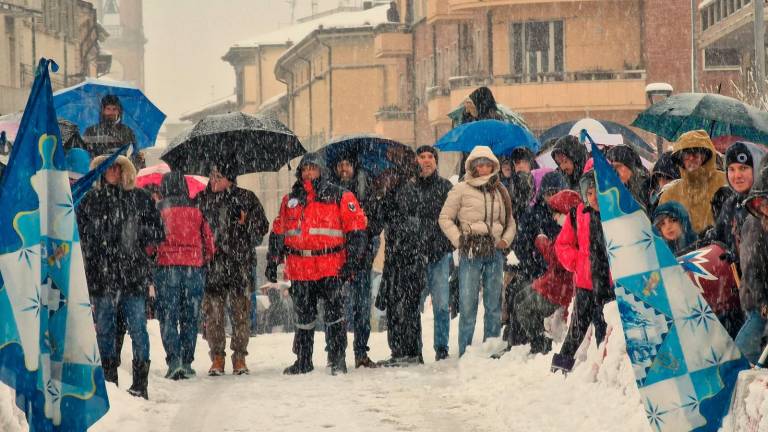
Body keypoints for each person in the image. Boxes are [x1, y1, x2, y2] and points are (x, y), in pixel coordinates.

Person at [266, 153, 368, 375]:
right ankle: (303, 360)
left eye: (312, 168)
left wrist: (351, 263)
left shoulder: (341, 196)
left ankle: (337, 359)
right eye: (304, 169)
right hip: (300, 268)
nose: (308, 173)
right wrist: (273, 261)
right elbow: (278, 232)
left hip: (331, 266)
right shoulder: (290, 201)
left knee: (334, 316)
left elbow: (357, 231)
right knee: (303, 318)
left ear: (322, 170)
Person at [76, 155, 164, 399]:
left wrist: (137, 238)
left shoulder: (139, 198)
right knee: (105, 330)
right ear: (100, 171)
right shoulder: (89, 201)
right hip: (102, 279)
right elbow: (80, 237)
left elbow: (158, 232)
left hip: (132, 277)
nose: (113, 171)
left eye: (117, 166)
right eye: (108, 166)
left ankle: (140, 383)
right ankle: (109, 382)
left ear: (125, 169)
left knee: (138, 329)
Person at [372, 146, 453, 364]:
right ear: (416, 161)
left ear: (435, 162)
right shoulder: (406, 187)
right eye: (422, 157)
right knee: (408, 304)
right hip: (412, 256)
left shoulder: (445, 186)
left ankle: (441, 348)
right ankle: (411, 350)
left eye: (430, 157)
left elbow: (448, 219)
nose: (426, 160)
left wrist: (440, 244)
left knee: (441, 305)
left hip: (436, 254)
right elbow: (397, 218)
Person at [439, 146, 516, 356]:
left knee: (493, 304)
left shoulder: (500, 190)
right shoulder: (461, 189)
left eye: (486, 163)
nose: (483, 168)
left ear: (493, 165)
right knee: (468, 305)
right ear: (472, 166)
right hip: (471, 251)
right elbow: (445, 218)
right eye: (479, 164)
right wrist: (459, 240)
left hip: (495, 252)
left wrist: (505, 240)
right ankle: (466, 351)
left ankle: (490, 348)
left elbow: (510, 221)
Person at [195, 164, 269, 376]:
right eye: (211, 176)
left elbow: (262, 229)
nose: (213, 180)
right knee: (213, 315)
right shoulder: (202, 199)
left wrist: (246, 222)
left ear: (230, 179)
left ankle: (239, 357)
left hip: (240, 265)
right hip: (213, 265)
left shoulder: (247, 198)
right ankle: (217, 356)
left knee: (240, 314)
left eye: (218, 176)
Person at [148, 171, 215, 380]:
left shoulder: (159, 210)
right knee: (190, 317)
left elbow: (151, 244)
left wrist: (154, 256)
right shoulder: (197, 209)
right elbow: (209, 243)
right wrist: (201, 258)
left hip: (166, 268)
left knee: (168, 316)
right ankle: (187, 362)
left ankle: (174, 360)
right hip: (193, 268)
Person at [551, 159, 612, 373]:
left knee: (604, 331)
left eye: (599, 190)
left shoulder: (615, 212)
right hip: (586, 284)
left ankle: (603, 370)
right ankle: (560, 368)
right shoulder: (578, 214)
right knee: (576, 330)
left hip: (610, 285)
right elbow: (563, 244)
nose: (595, 197)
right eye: (590, 191)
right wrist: (578, 262)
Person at [507, 171, 569, 352]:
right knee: (515, 294)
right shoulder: (534, 212)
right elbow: (522, 243)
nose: (551, 197)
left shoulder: (566, 215)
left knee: (526, 303)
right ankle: (518, 341)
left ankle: (540, 343)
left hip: (558, 277)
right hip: (537, 269)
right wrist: (534, 263)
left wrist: (544, 248)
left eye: (556, 192)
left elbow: (560, 255)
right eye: (549, 193)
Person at [330, 153, 378, 368]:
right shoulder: (330, 192)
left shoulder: (367, 190)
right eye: (340, 164)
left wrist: (368, 223)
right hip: (337, 259)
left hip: (362, 258)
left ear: (354, 166)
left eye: (347, 164)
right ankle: (335, 353)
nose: (343, 169)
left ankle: (361, 352)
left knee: (361, 308)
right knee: (336, 309)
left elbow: (378, 222)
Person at [658, 130, 727, 235]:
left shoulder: (725, 182)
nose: (691, 158)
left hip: (721, 248)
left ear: (706, 155)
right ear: (680, 159)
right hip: (683, 250)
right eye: (686, 154)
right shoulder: (669, 195)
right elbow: (661, 232)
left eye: (695, 152)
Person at [735, 158, 768, 364]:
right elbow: (751, 269)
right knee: (747, 350)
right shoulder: (755, 227)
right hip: (757, 299)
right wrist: (763, 301)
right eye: (763, 204)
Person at [605, 145, 651, 213]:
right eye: (611, 168)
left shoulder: (647, 187)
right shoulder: (624, 188)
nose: (614, 172)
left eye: (618, 166)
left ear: (630, 166)